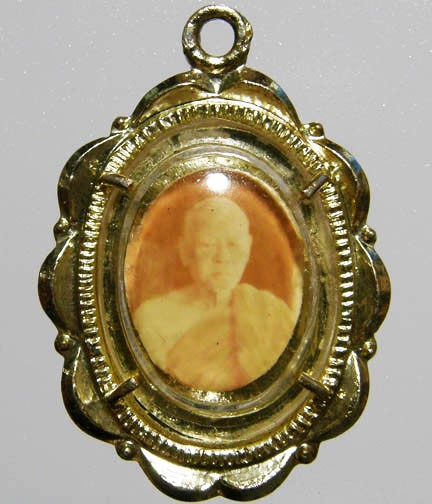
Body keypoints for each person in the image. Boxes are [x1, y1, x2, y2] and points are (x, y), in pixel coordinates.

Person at [132, 196, 300, 391]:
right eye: (208, 245)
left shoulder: (270, 312)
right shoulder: (152, 318)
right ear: (186, 251)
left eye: (233, 245)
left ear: (247, 249)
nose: (222, 257)